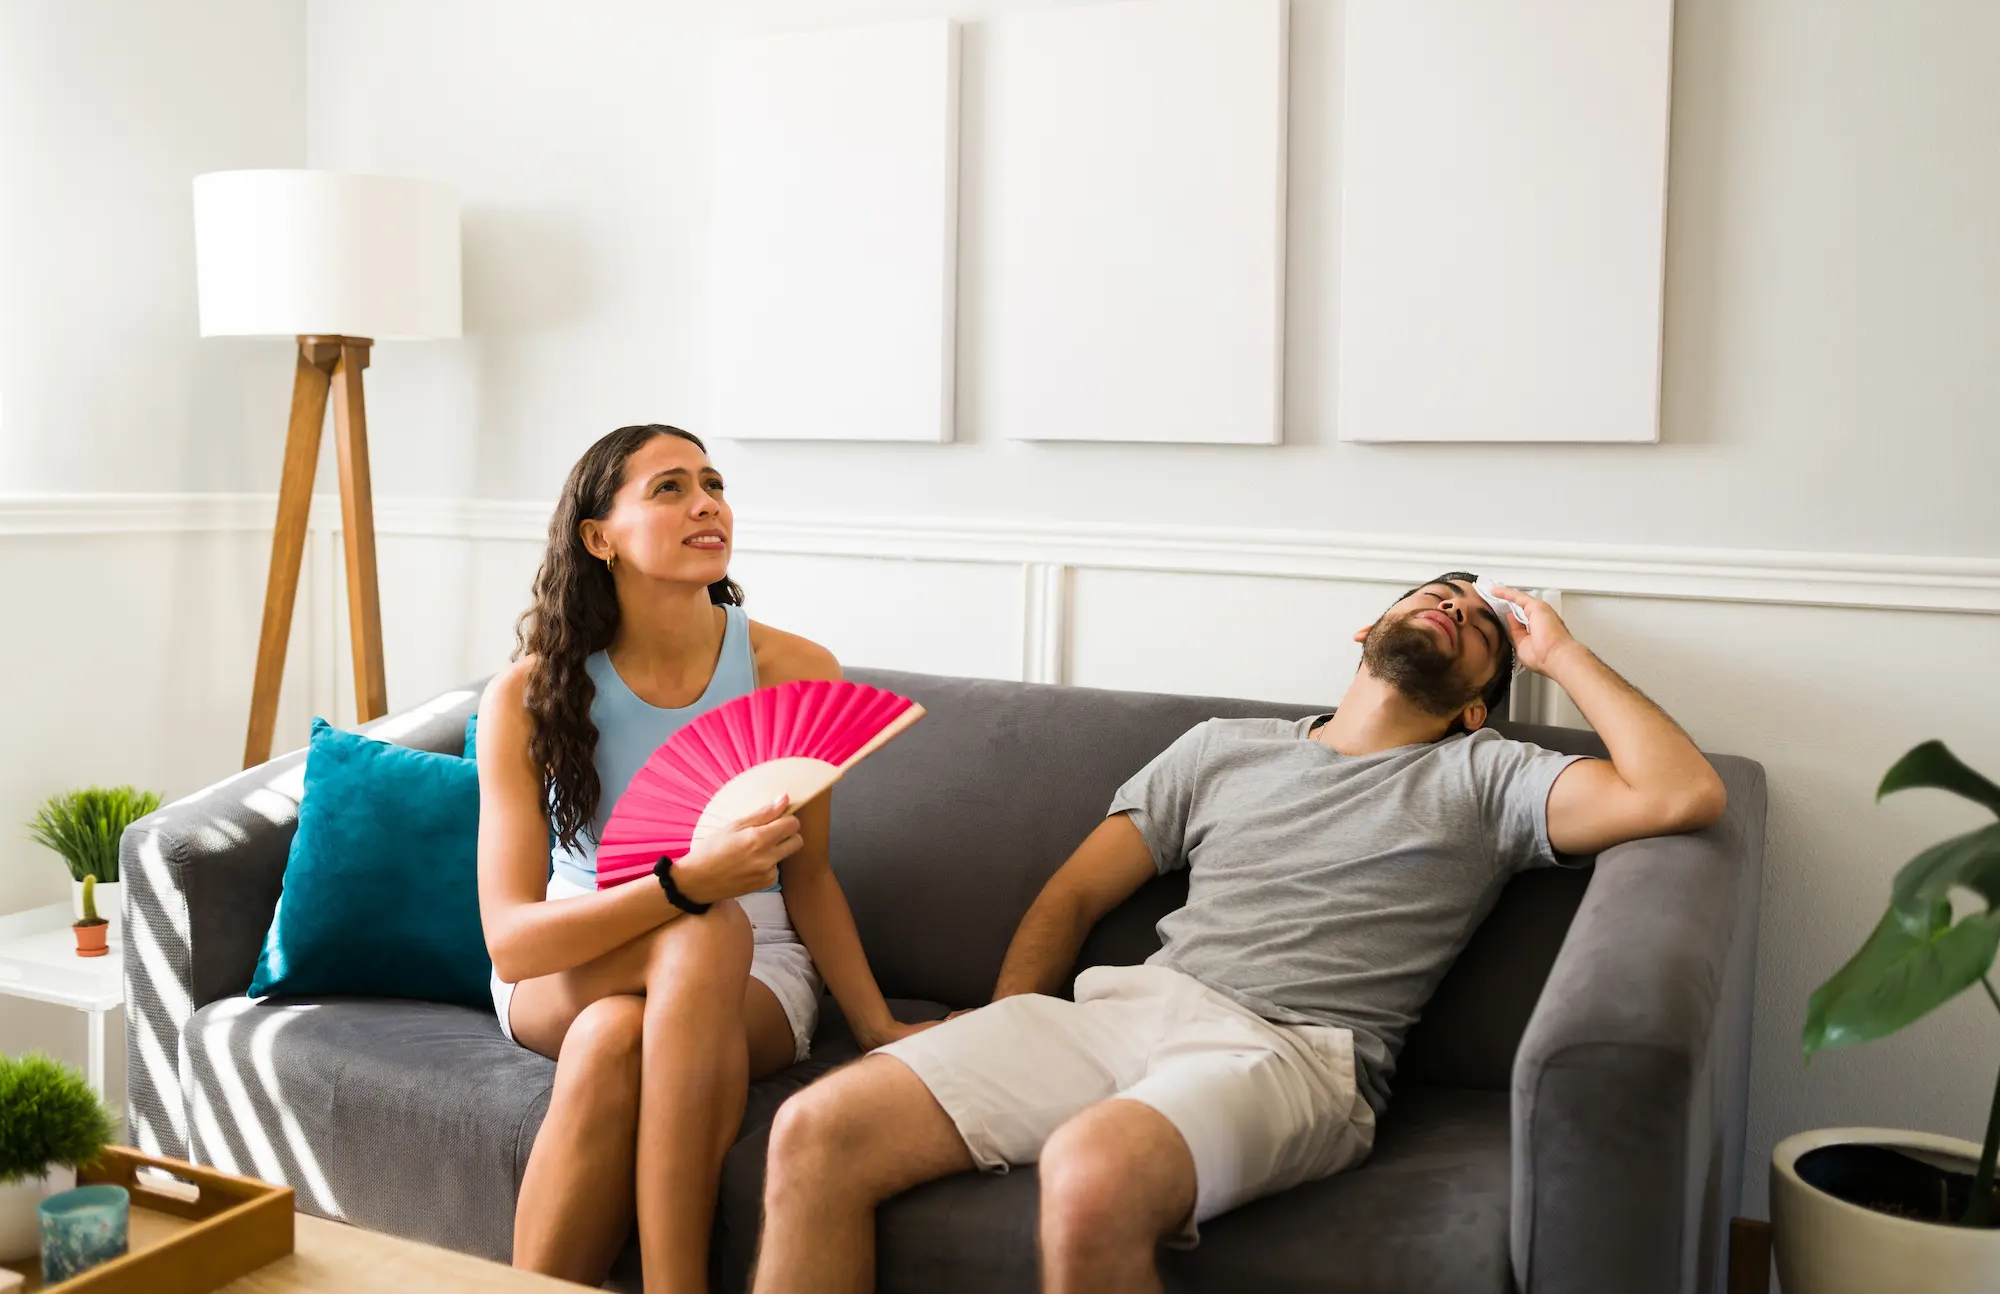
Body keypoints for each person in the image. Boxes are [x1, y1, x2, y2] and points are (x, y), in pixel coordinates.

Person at [752, 574, 1728, 1294]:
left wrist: (1555, 650)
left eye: (1480, 625)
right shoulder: (1221, 747)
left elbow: (1679, 791)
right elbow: (1071, 896)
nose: (1456, 609)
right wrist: (1004, 1021)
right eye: (1437, 595)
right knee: (814, 1127)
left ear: (1475, 702)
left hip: (1290, 1049)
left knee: (1091, 1171)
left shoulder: (1486, 773)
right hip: (1116, 1011)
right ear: (1366, 628)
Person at [474, 423, 931, 1293]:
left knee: (623, 1027)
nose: (707, 503)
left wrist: (876, 1027)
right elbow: (513, 943)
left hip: (755, 969)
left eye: (713, 483)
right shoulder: (528, 695)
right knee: (698, 926)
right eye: (670, 488)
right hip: (572, 956)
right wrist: (685, 885)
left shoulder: (793, 669)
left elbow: (811, 876)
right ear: (599, 537)